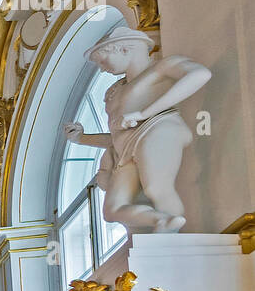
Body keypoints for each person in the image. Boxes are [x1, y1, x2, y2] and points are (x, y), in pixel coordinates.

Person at [63, 26, 211, 233]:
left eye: (104, 61)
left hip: (159, 127)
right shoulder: (115, 90)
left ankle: (174, 239)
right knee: (112, 210)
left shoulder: (161, 68)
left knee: (156, 187)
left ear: (125, 49)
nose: (103, 69)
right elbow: (116, 137)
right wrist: (82, 138)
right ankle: (162, 221)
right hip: (127, 150)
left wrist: (144, 113)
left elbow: (200, 74)